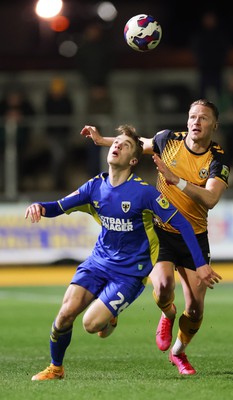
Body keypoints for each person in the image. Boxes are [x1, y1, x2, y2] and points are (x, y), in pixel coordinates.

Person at [25, 124, 221, 381]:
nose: (117, 145)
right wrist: (40, 206)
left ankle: (111, 315)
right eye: (116, 142)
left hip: (130, 273)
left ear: (134, 159)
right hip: (98, 262)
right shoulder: (95, 186)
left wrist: (201, 264)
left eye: (125, 145)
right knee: (64, 316)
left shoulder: (145, 193)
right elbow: (59, 206)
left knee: (91, 325)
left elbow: (182, 223)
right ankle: (55, 368)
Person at [80, 99, 230, 375]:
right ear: (187, 121)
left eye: (204, 118)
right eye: (192, 116)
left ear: (214, 125)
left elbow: (210, 199)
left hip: (194, 236)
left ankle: (179, 353)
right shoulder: (167, 139)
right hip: (161, 231)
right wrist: (102, 141)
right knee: (162, 287)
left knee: (196, 308)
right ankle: (168, 313)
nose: (197, 122)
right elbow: (136, 144)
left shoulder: (217, 159)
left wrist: (177, 180)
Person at [190, 11, 230, 100]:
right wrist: (200, 62)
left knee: (220, 93)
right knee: (201, 94)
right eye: (207, 19)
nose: (209, 21)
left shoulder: (220, 35)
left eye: (211, 19)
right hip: (204, 69)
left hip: (217, 68)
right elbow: (196, 50)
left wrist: (221, 62)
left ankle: (220, 111)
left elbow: (225, 50)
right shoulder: (199, 36)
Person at [43, 77, 74, 190]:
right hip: (53, 135)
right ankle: (56, 182)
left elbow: (69, 115)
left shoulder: (67, 101)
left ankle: (62, 183)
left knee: (64, 158)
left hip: (65, 134)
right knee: (58, 156)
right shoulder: (48, 101)